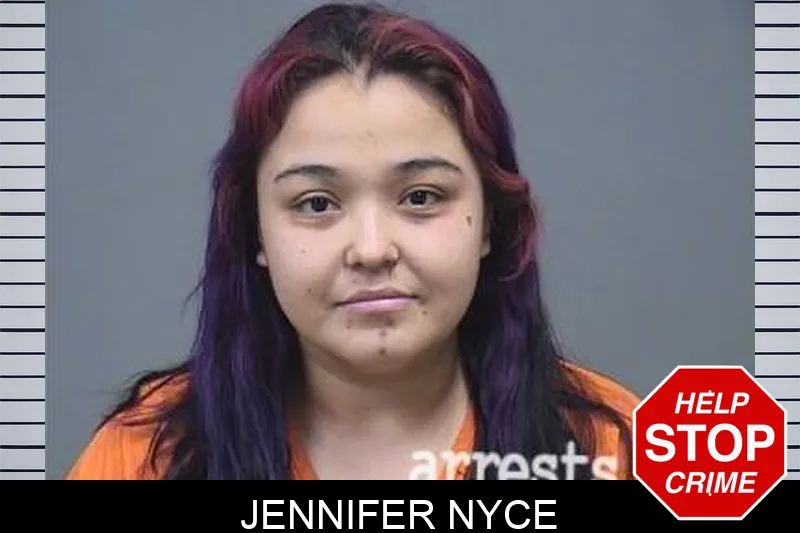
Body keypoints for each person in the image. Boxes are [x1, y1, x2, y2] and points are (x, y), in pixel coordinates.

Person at [66, 1, 640, 481]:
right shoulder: (145, 457)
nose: (371, 250)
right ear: (255, 231)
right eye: (317, 203)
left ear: (489, 221)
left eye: (420, 197)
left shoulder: (622, 446)